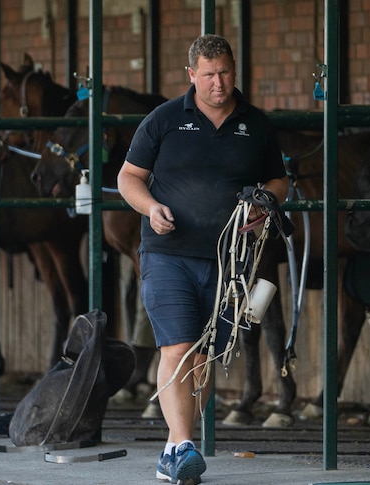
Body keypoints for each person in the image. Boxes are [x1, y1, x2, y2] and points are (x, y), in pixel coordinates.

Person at [117, 34, 287, 485]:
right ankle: (184, 444)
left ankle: (174, 449)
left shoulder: (257, 124)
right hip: (168, 254)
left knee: (207, 353)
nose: (219, 82)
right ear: (191, 75)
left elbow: (278, 179)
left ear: (235, 69)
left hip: (230, 260)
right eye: (209, 74)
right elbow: (129, 177)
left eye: (226, 72)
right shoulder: (165, 119)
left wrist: (265, 201)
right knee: (178, 346)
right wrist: (151, 208)